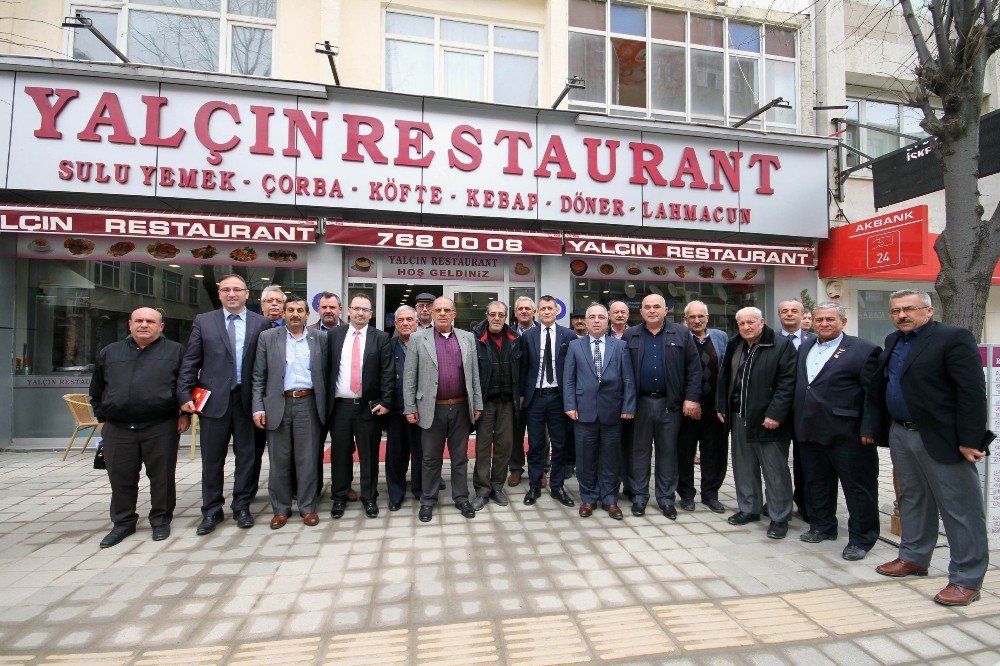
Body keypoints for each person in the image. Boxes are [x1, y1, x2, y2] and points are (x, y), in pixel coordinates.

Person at [869, 289, 991, 606]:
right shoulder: (893, 340)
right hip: (901, 434)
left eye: (909, 309)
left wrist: (971, 440)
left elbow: (972, 393)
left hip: (942, 437)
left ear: (929, 310)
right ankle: (913, 557)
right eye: (895, 311)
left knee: (960, 510)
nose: (902, 316)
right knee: (912, 500)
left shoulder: (953, 338)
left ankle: (967, 579)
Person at [90, 307, 190, 548]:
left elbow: (186, 384)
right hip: (118, 426)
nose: (144, 325)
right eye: (139, 321)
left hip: (161, 424)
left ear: (161, 326)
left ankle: (160, 520)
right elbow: (97, 389)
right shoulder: (110, 352)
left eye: (150, 321)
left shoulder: (175, 351)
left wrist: (185, 413)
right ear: (130, 324)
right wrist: (102, 420)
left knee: (162, 476)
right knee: (121, 476)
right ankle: (123, 523)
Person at [179, 274, 269, 534]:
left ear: (246, 294)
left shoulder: (260, 323)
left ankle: (241, 506)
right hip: (213, 401)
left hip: (247, 400)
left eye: (237, 290)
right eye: (226, 290)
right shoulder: (204, 322)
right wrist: (184, 394)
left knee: (247, 458)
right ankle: (211, 510)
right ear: (219, 294)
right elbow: (191, 361)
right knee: (212, 459)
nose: (232, 294)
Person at [793, 301, 881, 560]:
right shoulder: (805, 346)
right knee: (816, 483)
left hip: (849, 433)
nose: (824, 324)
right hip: (810, 429)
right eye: (819, 319)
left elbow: (873, 395)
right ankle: (823, 526)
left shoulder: (864, 350)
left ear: (843, 322)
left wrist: (869, 428)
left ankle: (862, 538)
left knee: (858, 488)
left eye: (830, 319)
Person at [717, 307, 797, 539]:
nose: (746, 327)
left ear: (762, 322)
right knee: (743, 465)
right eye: (741, 323)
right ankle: (749, 508)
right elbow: (725, 378)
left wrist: (775, 414)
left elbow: (787, 383)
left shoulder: (781, 345)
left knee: (775, 470)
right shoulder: (736, 345)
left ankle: (780, 516)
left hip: (767, 419)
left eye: (751, 322)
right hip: (739, 416)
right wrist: (721, 405)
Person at [403, 296, 483, 522]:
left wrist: (477, 403)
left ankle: (461, 498)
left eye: (447, 310)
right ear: (431, 313)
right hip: (431, 408)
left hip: (459, 408)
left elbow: (474, 375)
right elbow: (409, 377)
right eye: (438, 310)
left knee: (460, 458)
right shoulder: (418, 338)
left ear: (454, 314)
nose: (442, 314)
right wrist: (410, 407)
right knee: (430, 458)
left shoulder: (468, 338)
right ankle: (428, 500)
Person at [622, 294, 701, 519]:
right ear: (642, 311)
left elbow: (694, 369)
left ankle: (666, 499)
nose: (652, 310)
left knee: (668, 452)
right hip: (641, 404)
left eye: (657, 306)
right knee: (639, 452)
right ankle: (639, 497)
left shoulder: (682, 333)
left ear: (665, 310)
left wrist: (691, 398)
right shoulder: (631, 334)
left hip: (670, 404)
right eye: (647, 307)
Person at [251, 296, 328, 529]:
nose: (295, 314)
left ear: (308, 315)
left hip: (308, 403)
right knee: (279, 460)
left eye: (300, 310)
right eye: (291, 310)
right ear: (283, 313)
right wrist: (258, 407)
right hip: (278, 404)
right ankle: (281, 509)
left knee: (307, 460)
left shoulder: (320, 338)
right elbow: (258, 376)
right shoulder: (268, 338)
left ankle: (307, 507)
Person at [564, 303, 636, 520]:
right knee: (585, 459)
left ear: (608, 321)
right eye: (592, 317)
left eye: (601, 317)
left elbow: (628, 379)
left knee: (611, 458)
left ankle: (610, 499)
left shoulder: (620, 346)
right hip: (583, 412)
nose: (596, 321)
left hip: (613, 413)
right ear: (585, 322)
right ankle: (588, 498)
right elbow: (568, 379)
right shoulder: (575, 346)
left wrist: (628, 407)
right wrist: (569, 405)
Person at [327, 294, 393, 519]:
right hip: (340, 407)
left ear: (371, 314)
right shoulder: (334, 336)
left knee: (369, 454)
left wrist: (386, 401)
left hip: (368, 407)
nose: (360, 313)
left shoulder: (381, 338)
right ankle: (340, 495)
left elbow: (387, 372)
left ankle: (369, 497)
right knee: (340, 453)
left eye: (365, 310)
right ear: (347, 311)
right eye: (356, 309)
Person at [521, 295, 577, 508]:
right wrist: (521, 395)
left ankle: (557, 486)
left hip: (558, 397)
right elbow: (524, 367)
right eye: (542, 308)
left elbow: (572, 369)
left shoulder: (568, 335)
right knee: (536, 444)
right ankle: (535, 485)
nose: (546, 312)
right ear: (537, 312)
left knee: (560, 443)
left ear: (556, 311)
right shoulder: (528, 336)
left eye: (550, 308)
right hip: (535, 397)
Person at [677, 300, 729, 513]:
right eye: (692, 317)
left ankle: (711, 494)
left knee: (714, 453)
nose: (696, 320)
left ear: (707, 318)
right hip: (687, 407)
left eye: (701, 316)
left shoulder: (721, 337)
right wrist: (690, 400)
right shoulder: (679, 338)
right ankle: (687, 494)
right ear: (685, 319)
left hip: (714, 407)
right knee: (685, 453)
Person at [472, 301, 523, 510]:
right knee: (483, 448)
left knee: (504, 447)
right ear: (486, 315)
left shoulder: (515, 339)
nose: (496, 318)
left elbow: (523, 368)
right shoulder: (475, 339)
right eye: (492, 314)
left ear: (506, 317)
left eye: (500, 315)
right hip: (485, 403)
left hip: (507, 402)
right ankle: (482, 491)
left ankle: (497, 487)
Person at [778, 298, 816, 522]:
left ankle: (805, 502)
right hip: (779, 411)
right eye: (785, 311)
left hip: (806, 410)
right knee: (776, 459)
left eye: (794, 311)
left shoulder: (815, 341)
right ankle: (776, 499)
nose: (789, 314)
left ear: (803, 315)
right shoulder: (771, 339)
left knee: (805, 460)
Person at [386, 305, 422, 511]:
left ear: (417, 323)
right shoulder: (387, 345)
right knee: (396, 454)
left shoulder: (426, 344)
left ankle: (420, 490)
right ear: (395, 323)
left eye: (410, 319)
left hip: (422, 409)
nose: (406, 323)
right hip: (396, 409)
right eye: (401, 320)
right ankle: (396, 494)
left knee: (421, 452)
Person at [508, 296, 537, 485]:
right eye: (521, 309)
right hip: (515, 394)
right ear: (516, 312)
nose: (524, 311)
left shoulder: (544, 332)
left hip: (538, 394)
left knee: (539, 434)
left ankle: (540, 469)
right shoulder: (508, 334)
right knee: (515, 434)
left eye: (528, 308)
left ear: (534, 312)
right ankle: (516, 468)